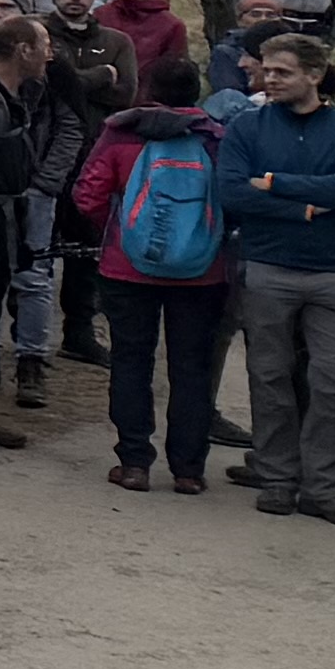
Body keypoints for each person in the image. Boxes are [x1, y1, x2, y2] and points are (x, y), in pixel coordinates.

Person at [215, 32, 335, 529]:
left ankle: (325, 488)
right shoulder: (246, 127)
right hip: (267, 267)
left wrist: (275, 183)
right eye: (266, 68)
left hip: (331, 274)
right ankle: (278, 478)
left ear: (314, 74)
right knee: (270, 378)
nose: (268, 79)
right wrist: (310, 206)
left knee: (334, 386)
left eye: (282, 71)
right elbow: (232, 193)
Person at [81, 57, 234, 492]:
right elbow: (232, 197)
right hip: (202, 271)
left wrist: (118, 231)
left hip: (126, 267)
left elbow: (88, 192)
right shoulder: (215, 137)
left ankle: (134, 462)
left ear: (148, 88)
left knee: (131, 360)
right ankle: (188, 469)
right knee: (192, 366)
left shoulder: (122, 131)